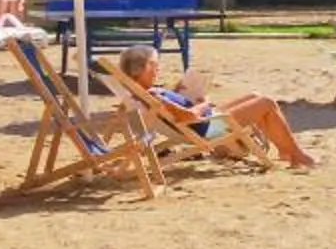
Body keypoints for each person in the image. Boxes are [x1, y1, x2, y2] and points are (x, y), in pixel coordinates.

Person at [115, 46, 314, 168]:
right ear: (142, 69)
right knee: (266, 103)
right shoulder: (153, 96)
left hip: (207, 122)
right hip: (210, 129)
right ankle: (296, 155)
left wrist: (178, 93)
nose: (157, 69)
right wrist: (204, 102)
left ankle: (285, 150)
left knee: (255, 97)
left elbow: (174, 114)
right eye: (154, 65)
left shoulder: (144, 94)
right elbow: (189, 117)